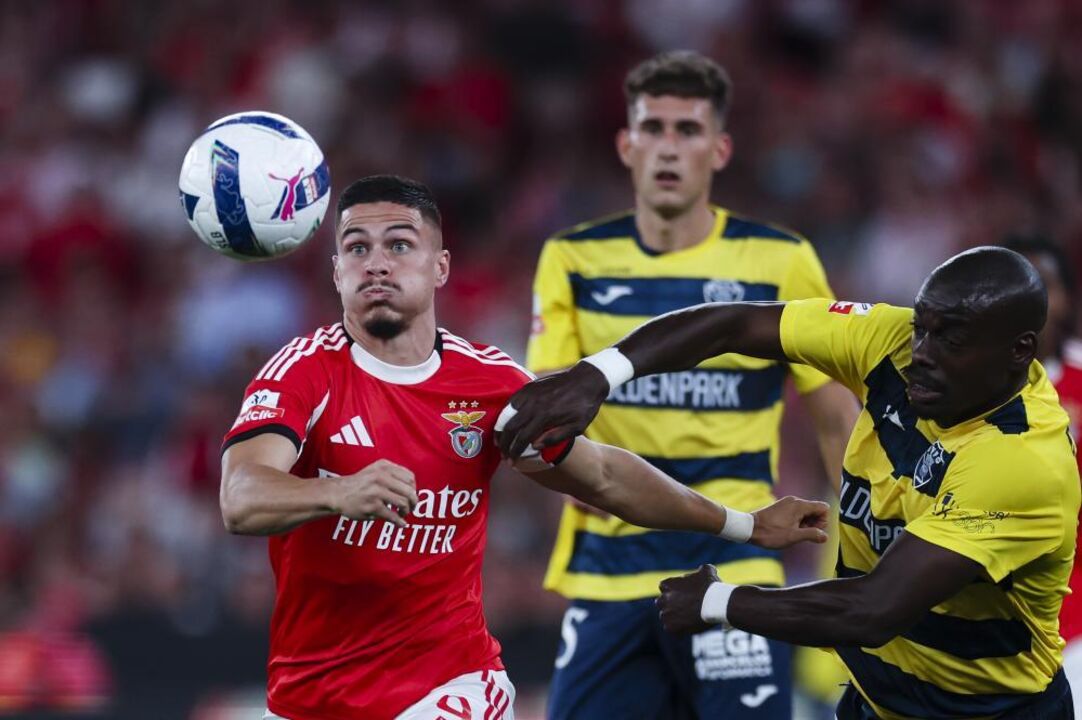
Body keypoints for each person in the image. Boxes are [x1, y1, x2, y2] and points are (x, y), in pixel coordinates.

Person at [218, 175, 830, 720]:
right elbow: (241, 498)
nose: (376, 263)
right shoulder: (303, 373)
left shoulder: (489, 385)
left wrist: (746, 526)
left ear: (440, 266)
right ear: (336, 273)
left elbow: (606, 478)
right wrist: (337, 490)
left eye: (399, 245)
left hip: (450, 686)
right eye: (357, 249)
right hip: (309, 695)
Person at [500, 246, 1080, 719]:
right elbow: (733, 322)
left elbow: (872, 610)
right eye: (921, 325)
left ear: (1019, 352)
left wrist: (720, 602)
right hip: (879, 701)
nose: (920, 352)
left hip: (990, 711)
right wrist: (598, 375)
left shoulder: (1021, 460)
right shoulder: (890, 341)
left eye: (948, 339)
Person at [525, 50, 859, 719]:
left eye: (688, 130)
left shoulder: (781, 260)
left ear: (720, 148)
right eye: (653, 128)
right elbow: (548, 413)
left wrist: (862, 548)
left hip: (737, 563)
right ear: (626, 144)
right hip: (608, 568)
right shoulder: (573, 259)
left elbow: (835, 418)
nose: (668, 147)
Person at [1003, 234, 1082, 716]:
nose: (1034, 301)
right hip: (989, 630)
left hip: (1075, 627)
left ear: (1069, 297)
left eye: (1046, 285)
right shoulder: (955, 393)